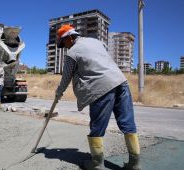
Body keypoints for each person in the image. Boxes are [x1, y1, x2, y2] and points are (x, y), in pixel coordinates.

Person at [55, 24, 141, 170]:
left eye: (64, 43)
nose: (65, 47)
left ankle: (96, 163)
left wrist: (59, 92)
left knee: (97, 126)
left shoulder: (73, 52)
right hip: (120, 81)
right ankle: (135, 164)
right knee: (127, 124)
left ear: (69, 37)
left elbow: (66, 77)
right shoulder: (96, 42)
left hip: (100, 88)